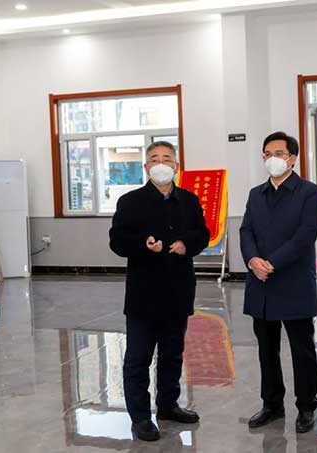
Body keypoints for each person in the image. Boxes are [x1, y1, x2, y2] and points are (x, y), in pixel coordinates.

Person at [109, 141, 210, 442]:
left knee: (172, 354)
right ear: (146, 167)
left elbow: (202, 234)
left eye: (167, 158)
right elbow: (117, 241)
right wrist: (144, 244)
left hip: (178, 290)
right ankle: (140, 417)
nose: (161, 163)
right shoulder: (130, 202)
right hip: (143, 293)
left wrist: (186, 244)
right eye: (154, 159)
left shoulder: (189, 200)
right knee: (138, 357)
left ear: (176, 166)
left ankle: (168, 405)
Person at [240, 131, 317, 434]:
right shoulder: (255, 194)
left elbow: (305, 235)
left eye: (278, 153)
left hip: (293, 281)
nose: (272, 159)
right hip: (260, 283)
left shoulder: (308, 192)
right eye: (267, 154)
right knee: (266, 349)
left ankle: (306, 406)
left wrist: (272, 263)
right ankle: (272, 404)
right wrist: (253, 260)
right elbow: (246, 231)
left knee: (302, 349)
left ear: (292, 158)